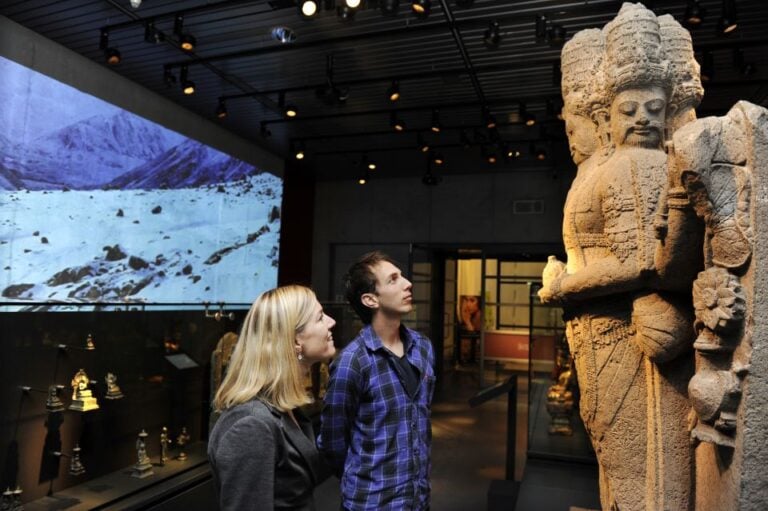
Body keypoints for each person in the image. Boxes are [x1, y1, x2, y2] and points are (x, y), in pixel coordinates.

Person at [319, 251, 435, 511]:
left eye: (402, 276)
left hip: (417, 499)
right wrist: (362, 474)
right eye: (394, 279)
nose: (408, 283)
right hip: (372, 502)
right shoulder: (353, 362)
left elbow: (421, 420)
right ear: (370, 299)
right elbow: (333, 441)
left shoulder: (423, 347)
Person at [208, 285, 336, 511]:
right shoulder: (251, 426)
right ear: (296, 340)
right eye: (319, 317)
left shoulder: (285, 409)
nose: (331, 321)